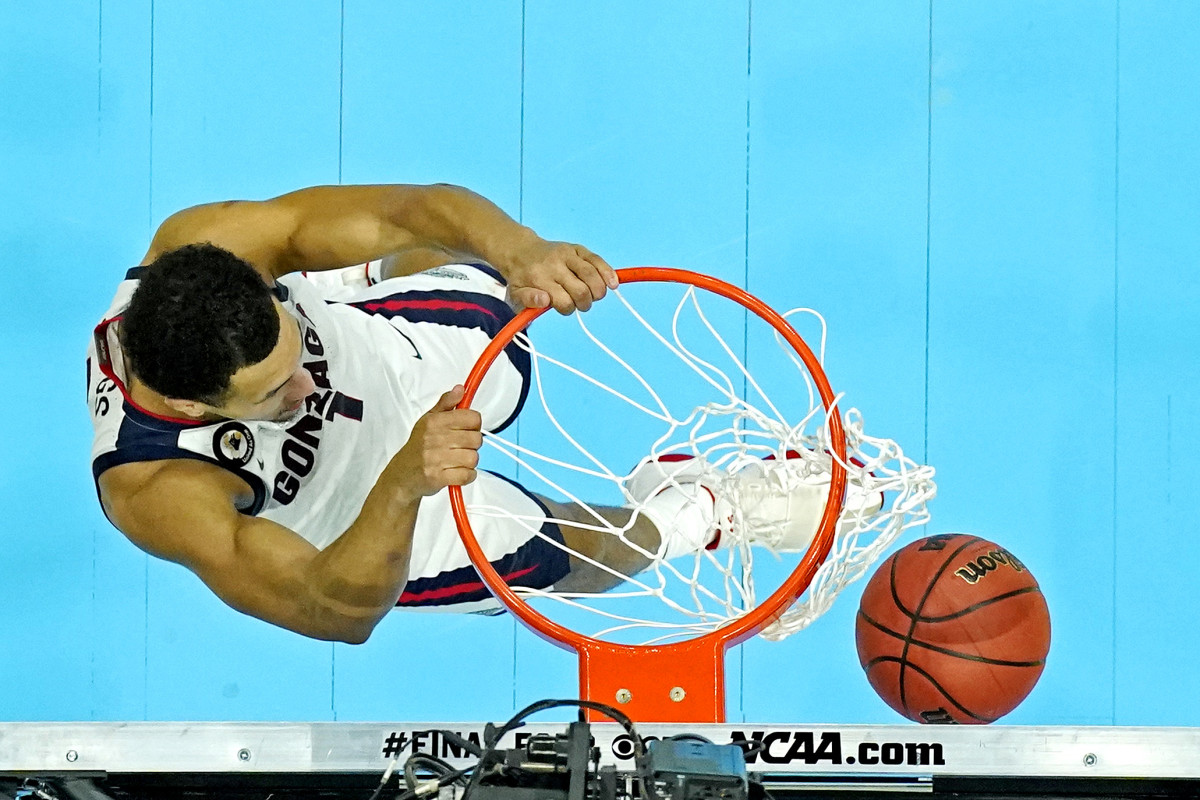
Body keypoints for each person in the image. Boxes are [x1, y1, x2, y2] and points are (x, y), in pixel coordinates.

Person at [89, 183, 854, 644]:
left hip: (388, 351)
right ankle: (700, 510)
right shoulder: (156, 488)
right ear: (193, 407)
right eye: (273, 396)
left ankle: (362, 275)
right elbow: (328, 608)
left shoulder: (203, 243)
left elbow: (408, 206)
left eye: (295, 362)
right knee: (558, 555)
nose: (303, 393)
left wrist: (521, 249)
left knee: (457, 262)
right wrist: (400, 484)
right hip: (362, 511)